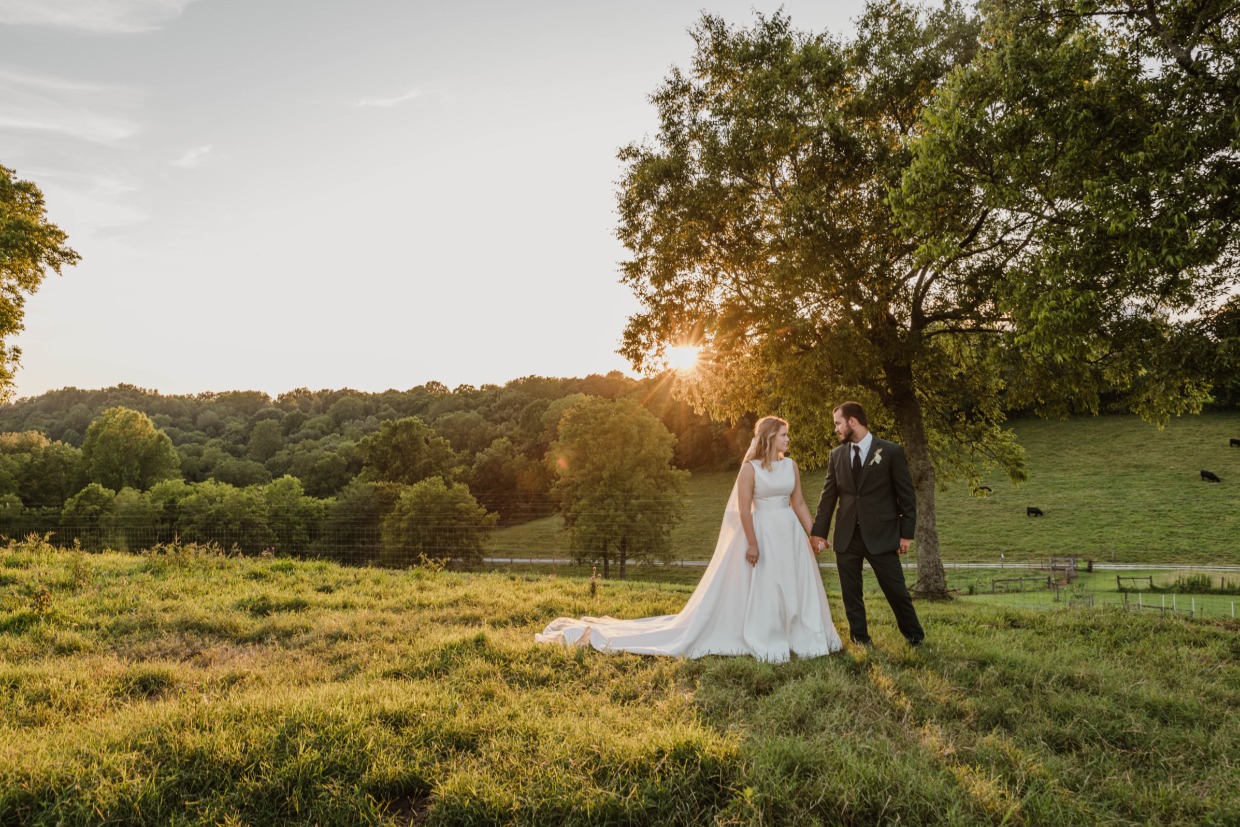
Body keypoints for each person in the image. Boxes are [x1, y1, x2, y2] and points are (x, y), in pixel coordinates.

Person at [536, 416, 842, 662]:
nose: (788, 439)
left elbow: (798, 503)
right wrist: (751, 542)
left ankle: (800, 635)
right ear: (769, 437)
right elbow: (744, 510)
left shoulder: (790, 466)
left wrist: (814, 534)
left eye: (787, 435)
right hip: (762, 532)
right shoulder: (750, 470)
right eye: (783, 434)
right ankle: (768, 635)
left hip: (789, 534)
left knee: (794, 584)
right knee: (766, 586)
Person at [810, 401, 924, 646]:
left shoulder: (891, 451)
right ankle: (860, 638)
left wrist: (906, 534)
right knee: (851, 593)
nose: (836, 429)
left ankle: (915, 637)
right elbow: (828, 497)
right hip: (847, 535)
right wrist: (818, 533)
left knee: (896, 591)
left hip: (882, 535)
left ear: (852, 421)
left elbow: (907, 496)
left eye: (838, 423)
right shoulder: (837, 455)